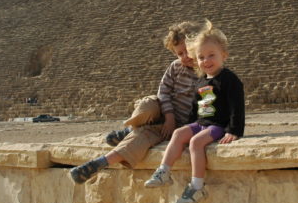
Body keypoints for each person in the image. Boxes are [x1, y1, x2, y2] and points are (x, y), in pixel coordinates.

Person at [69, 21, 202, 184]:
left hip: (179, 125)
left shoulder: (207, 70)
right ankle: (130, 128)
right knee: (147, 106)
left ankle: (99, 163)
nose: (185, 56)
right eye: (180, 53)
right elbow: (163, 92)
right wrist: (169, 116)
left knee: (142, 137)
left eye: (187, 50)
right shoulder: (175, 67)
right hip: (163, 110)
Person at [145, 20, 245, 203]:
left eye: (211, 55)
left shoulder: (229, 79)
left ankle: (197, 186)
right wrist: (188, 127)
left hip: (217, 126)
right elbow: (195, 107)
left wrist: (234, 130)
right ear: (196, 60)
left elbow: (237, 106)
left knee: (196, 142)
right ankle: (163, 171)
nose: (206, 61)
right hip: (201, 124)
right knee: (178, 133)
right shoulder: (202, 80)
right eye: (201, 57)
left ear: (224, 55)